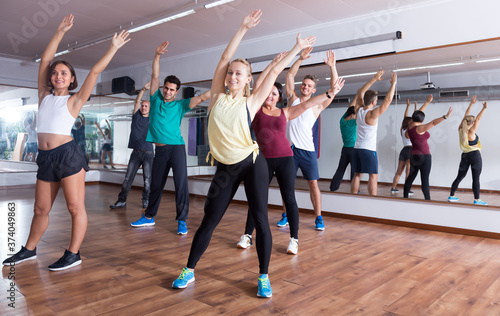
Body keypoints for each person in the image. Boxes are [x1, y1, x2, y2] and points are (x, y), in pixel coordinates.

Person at [172, 10, 316, 298]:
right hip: (225, 169)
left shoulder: (251, 102)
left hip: (252, 164)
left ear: (248, 79)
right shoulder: (216, 96)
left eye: (239, 73)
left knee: (260, 220)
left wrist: (298, 50)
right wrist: (242, 28)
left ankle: (263, 276)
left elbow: (274, 73)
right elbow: (224, 59)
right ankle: (189, 270)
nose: (232, 76)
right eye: (230, 73)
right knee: (209, 221)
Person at [2, 14, 130, 271]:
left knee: (74, 207)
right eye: (55, 73)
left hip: (68, 156)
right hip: (46, 157)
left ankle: (73, 253)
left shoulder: (74, 100)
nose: (58, 75)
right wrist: (59, 32)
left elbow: (95, 71)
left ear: (72, 79)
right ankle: (29, 249)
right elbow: (46, 60)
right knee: (40, 208)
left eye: (64, 73)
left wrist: (113, 48)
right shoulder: (43, 95)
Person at [236, 53, 344, 254]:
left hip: (286, 157)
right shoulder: (257, 109)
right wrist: (277, 62)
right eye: (269, 93)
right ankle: (248, 235)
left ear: (279, 98)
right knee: (257, 197)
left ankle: (294, 239)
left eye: (274, 94)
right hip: (264, 160)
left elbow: (308, 105)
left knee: (291, 197)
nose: (270, 96)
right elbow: (262, 83)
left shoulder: (286, 111)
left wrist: (331, 92)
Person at [130, 40, 210, 234]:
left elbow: (202, 98)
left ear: (176, 92)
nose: (167, 91)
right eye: (166, 87)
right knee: (156, 184)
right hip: (161, 150)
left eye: (172, 89)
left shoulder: (181, 105)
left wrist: (223, 87)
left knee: (181, 183)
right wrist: (157, 55)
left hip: (177, 149)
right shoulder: (155, 99)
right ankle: (149, 217)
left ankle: (182, 221)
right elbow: (155, 75)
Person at [285, 47, 340, 231]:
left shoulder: (316, 107)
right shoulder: (292, 99)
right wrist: (300, 58)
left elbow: (334, 90)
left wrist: (332, 66)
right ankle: (286, 215)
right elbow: (289, 77)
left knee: (313, 185)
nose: (305, 87)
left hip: (308, 151)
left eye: (309, 86)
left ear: (314, 89)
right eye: (304, 84)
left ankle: (318, 217)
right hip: (290, 150)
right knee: (287, 185)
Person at [350, 70, 397, 196]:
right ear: (373, 102)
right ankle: (373, 199)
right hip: (368, 150)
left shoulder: (358, 109)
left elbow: (360, 91)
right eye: (376, 100)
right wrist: (393, 84)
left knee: (357, 175)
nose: (377, 102)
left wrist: (374, 79)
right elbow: (387, 101)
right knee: (373, 176)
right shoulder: (371, 114)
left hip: (357, 149)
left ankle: (353, 198)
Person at [110, 82, 153, 209]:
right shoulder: (136, 116)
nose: (143, 107)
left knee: (147, 180)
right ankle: (121, 201)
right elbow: (137, 101)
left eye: (146, 106)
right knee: (128, 178)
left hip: (148, 153)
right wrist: (144, 89)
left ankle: (146, 200)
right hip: (135, 153)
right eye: (143, 106)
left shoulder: (152, 119)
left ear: (150, 109)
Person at [403, 106, 453, 200]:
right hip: (424, 156)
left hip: (413, 155)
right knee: (424, 179)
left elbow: (416, 116)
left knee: (410, 177)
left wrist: (425, 105)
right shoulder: (420, 128)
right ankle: (428, 200)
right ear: (421, 120)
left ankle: (405, 197)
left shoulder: (409, 127)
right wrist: (445, 116)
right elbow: (433, 123)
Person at [448, 96, 487, 205]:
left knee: (460, 176)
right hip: (475, 156)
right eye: (474, 121)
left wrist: (471, 103)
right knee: (476, 178)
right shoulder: (471, 132)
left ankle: (451, 195)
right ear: (472, 123)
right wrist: (483, 108)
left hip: (464, 156)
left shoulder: (461, 129)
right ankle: (477, 199)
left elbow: (466, 115)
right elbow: (478, 119)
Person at [390, 95, 432, 194]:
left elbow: (407, 117)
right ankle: (407, 190)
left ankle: (393, 188)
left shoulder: (403, 129)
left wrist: (408, 106)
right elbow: (415, 118)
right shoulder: (412, 130)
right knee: (409, 172)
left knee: (398, 172)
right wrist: (417, 107)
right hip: (410, 150)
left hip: (403, 150)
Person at [329, 101, 357, 192]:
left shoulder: (342, 121)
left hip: (345, 149)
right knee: (354, 171)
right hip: (353, 150)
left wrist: (356, 97)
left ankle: (333, 187)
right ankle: (354, 190)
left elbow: (349, 109)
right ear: (353, 114)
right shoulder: (354, 122)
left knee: (340, 169)